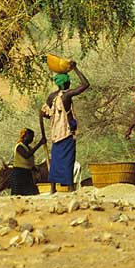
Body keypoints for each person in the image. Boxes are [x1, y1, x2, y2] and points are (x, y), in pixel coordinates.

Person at [39, 61, 89, 194]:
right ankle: (71, 188)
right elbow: (85, 84)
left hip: (56, 134)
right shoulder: (66, 95)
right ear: (66, 83)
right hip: (67, 133)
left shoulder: (52, 97)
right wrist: (75, 68)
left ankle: (53, 189)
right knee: (68, 160)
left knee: (55, 161)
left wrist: (44, 134)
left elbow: (42, 113)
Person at [10, 128, 45, 196]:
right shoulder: (19, 146)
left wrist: (35, 169)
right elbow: (26, 155)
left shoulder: (30, 148)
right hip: (19, 174)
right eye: (30, 136)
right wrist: (39, 144)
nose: (32, 139)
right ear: (24, 136)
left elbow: (29, 162)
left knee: (30, 194)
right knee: (18, 195)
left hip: (27, 174)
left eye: (32, 137)